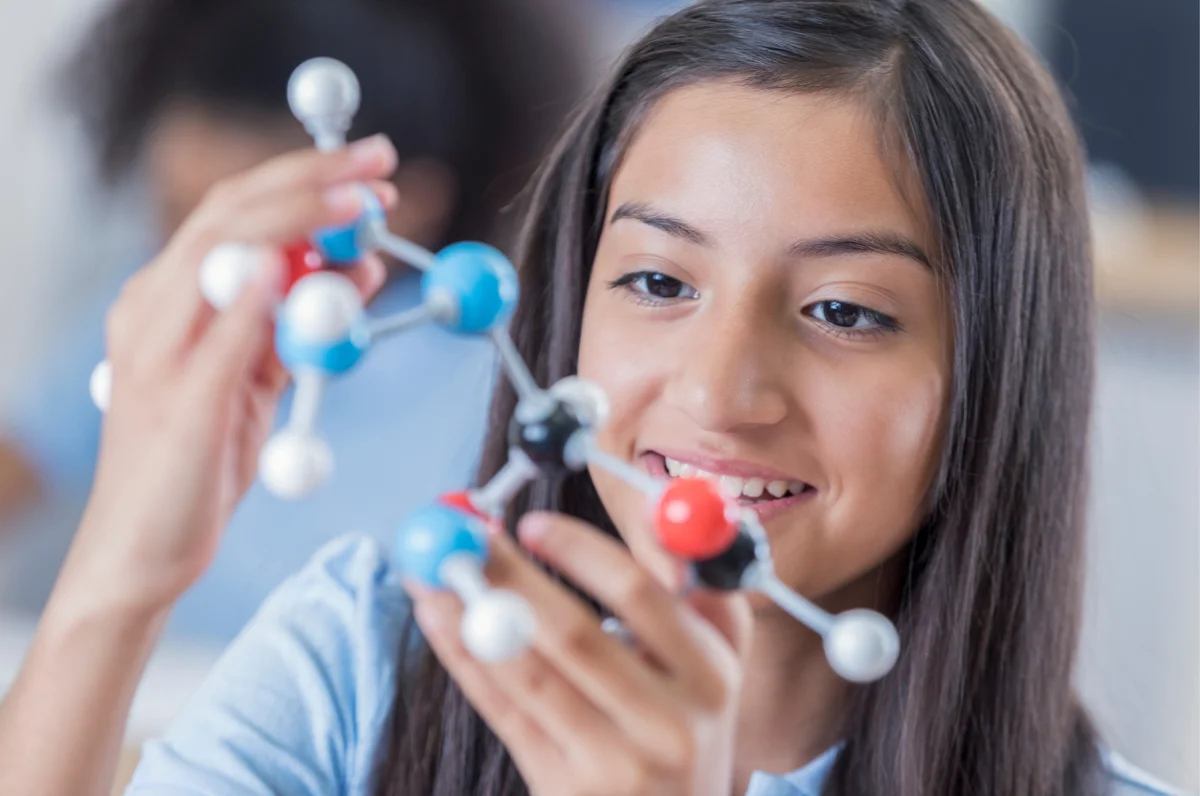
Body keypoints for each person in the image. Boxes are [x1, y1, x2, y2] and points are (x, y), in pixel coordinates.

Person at [0, 1, 1186, 794]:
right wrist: (120, 576)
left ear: (994, 374)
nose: (720, 393)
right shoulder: (360, 663)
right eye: (659, 280)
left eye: (844, 310)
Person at [0, 0, 589, 639]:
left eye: (244, 226)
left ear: (399, 206)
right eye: (174, 213)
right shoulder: (153, 306)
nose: (194, 256)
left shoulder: (499, 381)